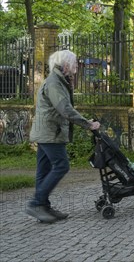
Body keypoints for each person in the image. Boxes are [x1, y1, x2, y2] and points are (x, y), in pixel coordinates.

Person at [26, 50, 101, 223]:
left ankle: (42, 206)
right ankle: (36, 203)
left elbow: (63, 107)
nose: (77, 65)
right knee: (61, 165)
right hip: (51, 133)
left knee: (43, 171)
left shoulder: (60, 80)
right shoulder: (54, 82)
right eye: (75, 62)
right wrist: (88, 124)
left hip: (48, 132)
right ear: (65, 64)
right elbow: (64, 109)